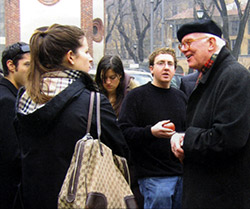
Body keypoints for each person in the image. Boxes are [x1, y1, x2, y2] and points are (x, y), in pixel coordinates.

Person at [14, 24, 130, 209]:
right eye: (85, 51)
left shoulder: (24, 100)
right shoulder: (93, 102)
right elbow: (120, 155)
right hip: (81, 200)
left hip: (32, 199)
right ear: (70, 57)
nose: (91, 58)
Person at [171, 19, 250, 208]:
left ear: (211, 44)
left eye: (189, 43)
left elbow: (227, 139)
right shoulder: (213, 76)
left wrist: (185, 140)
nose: (183, 49)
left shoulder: (233, 76)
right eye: (181, 44)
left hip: (221, 198)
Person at [119, 47, 187, 209]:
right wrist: (151, 132)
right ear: (151, 68)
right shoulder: (136, 96)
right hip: (153, 177)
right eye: (161, 63)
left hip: (181, 174)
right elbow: (123, 132)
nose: (166, 67)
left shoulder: (181, 97)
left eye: (170, 64)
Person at [0, 42, 30, 209]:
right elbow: (12, 155)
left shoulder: (10, 95)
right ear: (11, 65)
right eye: (27, 64)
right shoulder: (7, 101)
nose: (32, 70)